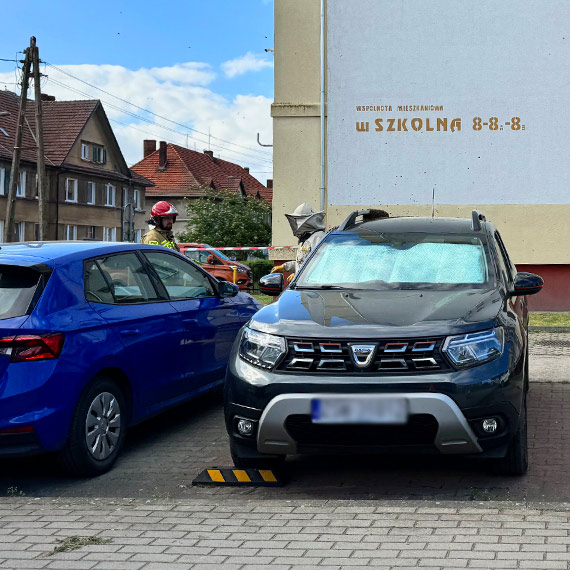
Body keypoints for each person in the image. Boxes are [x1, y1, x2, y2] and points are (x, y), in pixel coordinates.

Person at [271, 203, 326, 280]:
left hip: (313, 287)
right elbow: (302, 262)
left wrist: (298, 274)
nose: (297, 223)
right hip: (303, 286)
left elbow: (319, 264)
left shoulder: (318, 237)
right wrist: (284, 267)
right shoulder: (305, 239)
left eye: (299, 220)